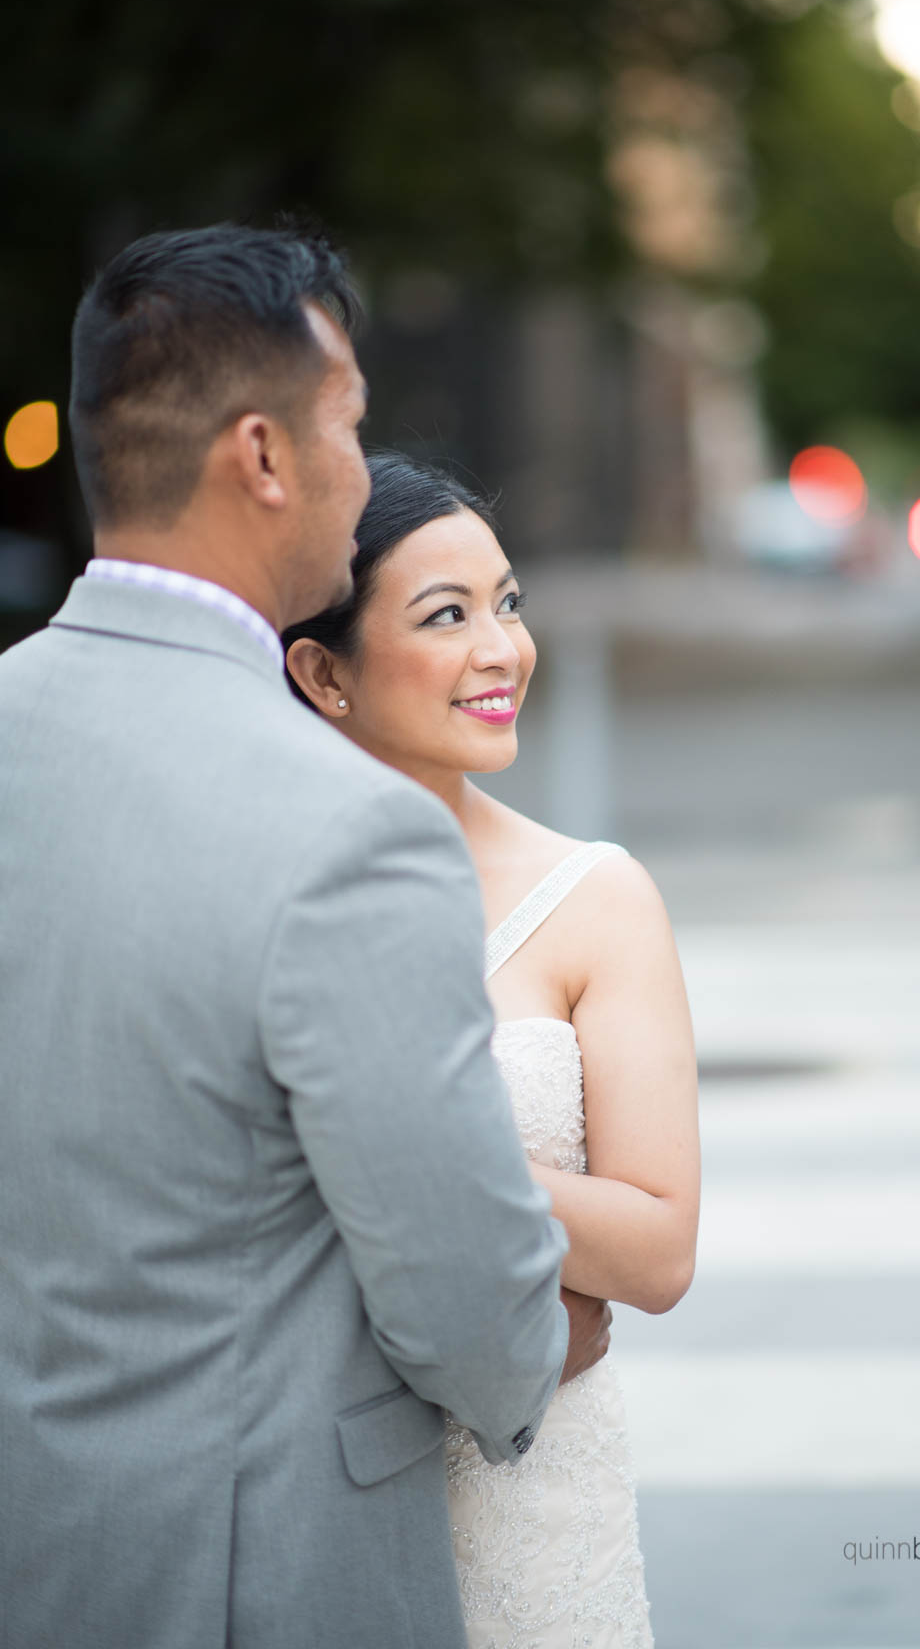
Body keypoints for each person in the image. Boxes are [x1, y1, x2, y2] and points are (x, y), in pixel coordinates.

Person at [0, 223, 610, 1649]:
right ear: (264, 456)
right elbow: (461, 1284)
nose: (360, 466)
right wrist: (540, 1352)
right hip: (266, 1571)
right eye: (347, 424)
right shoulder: (349, 828)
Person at [284, 450, 701, 1649]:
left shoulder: (594, 897)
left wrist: (401, 1156)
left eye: (507, 604)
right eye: (445, 615)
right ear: (323, 670)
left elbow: (658, 1247)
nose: (501, 651)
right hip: (311, 1502)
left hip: (537, 1516)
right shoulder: (258, 892)